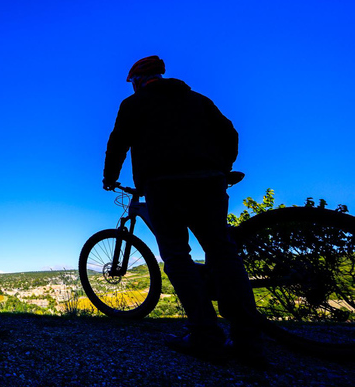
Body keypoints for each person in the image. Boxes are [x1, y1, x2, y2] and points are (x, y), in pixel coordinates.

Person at [103, 56, 264, 366]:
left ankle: (205, 335)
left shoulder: (133, 104)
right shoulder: (197, 99)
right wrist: (221, 167)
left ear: (138, 81)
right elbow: (230, 134)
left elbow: (118, 142)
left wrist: (109, 178)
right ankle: (248, 339)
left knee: (177, 255)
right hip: (209, 181)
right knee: (222, 251)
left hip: (163, 184)